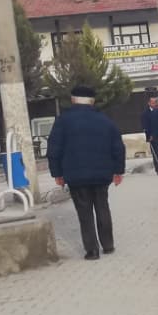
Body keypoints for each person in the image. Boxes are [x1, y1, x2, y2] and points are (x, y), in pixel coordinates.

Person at [47, 85, 126, 261]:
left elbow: (54, 148)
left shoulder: (63, 121)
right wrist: (118, 170)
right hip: (102, 175)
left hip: (76, 176)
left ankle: (92, 250)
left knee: (84, 212)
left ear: (73, 100)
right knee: (102, 207)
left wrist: (57, 173)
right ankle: (108, 245)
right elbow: (118, 147)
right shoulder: (105, 120)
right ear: (92, 101)